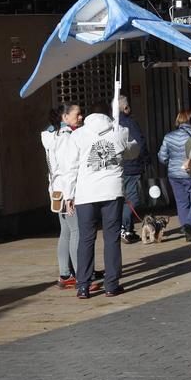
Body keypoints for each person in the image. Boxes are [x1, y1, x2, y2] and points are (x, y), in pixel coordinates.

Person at [63, 112, 139, 298]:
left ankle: (83, 286)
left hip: (85, 194)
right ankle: (111, 284)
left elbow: (70, 167)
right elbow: (134, 151)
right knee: (111, 237)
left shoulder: (78, 135)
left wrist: (68, 195)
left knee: (86, 239)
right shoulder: (119, 131)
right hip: (112, 191)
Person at [42, 103, 85, 290]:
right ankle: (80, 274)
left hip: (56, 189)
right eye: (78, 114)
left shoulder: (52, 135)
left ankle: (66, 273)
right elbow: (69, 167)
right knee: (76, 231)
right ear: (64, 117)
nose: (82, 117)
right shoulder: (66, 137)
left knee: (66, 231)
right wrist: (70, 196)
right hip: (67, 191)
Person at [158, 108, 191, 242]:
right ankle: (189, 224)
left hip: (174, 175)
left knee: (181, 202)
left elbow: (162, 157)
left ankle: (184, 227)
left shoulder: (168, 136)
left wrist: (171, 166)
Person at [115, 96, 147, 244]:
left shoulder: (112, 124)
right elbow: (138, 144)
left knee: (123, 198)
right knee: (132, 199)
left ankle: (128, 228)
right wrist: (145, 160)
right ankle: (124, 227)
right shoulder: (129, 123)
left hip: (118, 167)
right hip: (132, 166)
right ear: (125, 108)